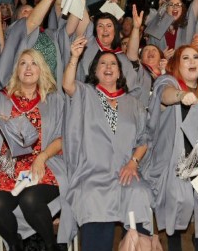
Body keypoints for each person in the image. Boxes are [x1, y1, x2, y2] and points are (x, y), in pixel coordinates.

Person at [63, 36, 151, 251]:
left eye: (113, 63)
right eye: (103, 63)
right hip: (92, 173)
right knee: (93, 199)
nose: (108, 67)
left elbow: (143, 140)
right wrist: (74, 58)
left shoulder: (134, 104)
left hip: (125, 171)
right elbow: (67, 85)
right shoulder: (85, 94)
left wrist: (133, 162)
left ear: (120, 72)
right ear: (95, 71)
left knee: (140, 193)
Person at [0, 49, 74, 251]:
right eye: (23, 63)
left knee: (30, 199)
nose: (28, 68)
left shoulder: (54, 99)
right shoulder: (2, 99)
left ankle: (51, 246)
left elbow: (63, 138)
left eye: (34, 63)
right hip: (9, 166)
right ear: (17, 70)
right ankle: (15, 245)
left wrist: (42, 157)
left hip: (45, 163)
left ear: (41, 69)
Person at [142, 44, 198, 251]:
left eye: (195, 58)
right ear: (177, 65)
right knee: (180, 195)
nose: (192, 62)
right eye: (185, 58)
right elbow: (165, 95)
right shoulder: (167, 82)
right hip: (171, 160)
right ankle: (174, 241)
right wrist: (181, 97)